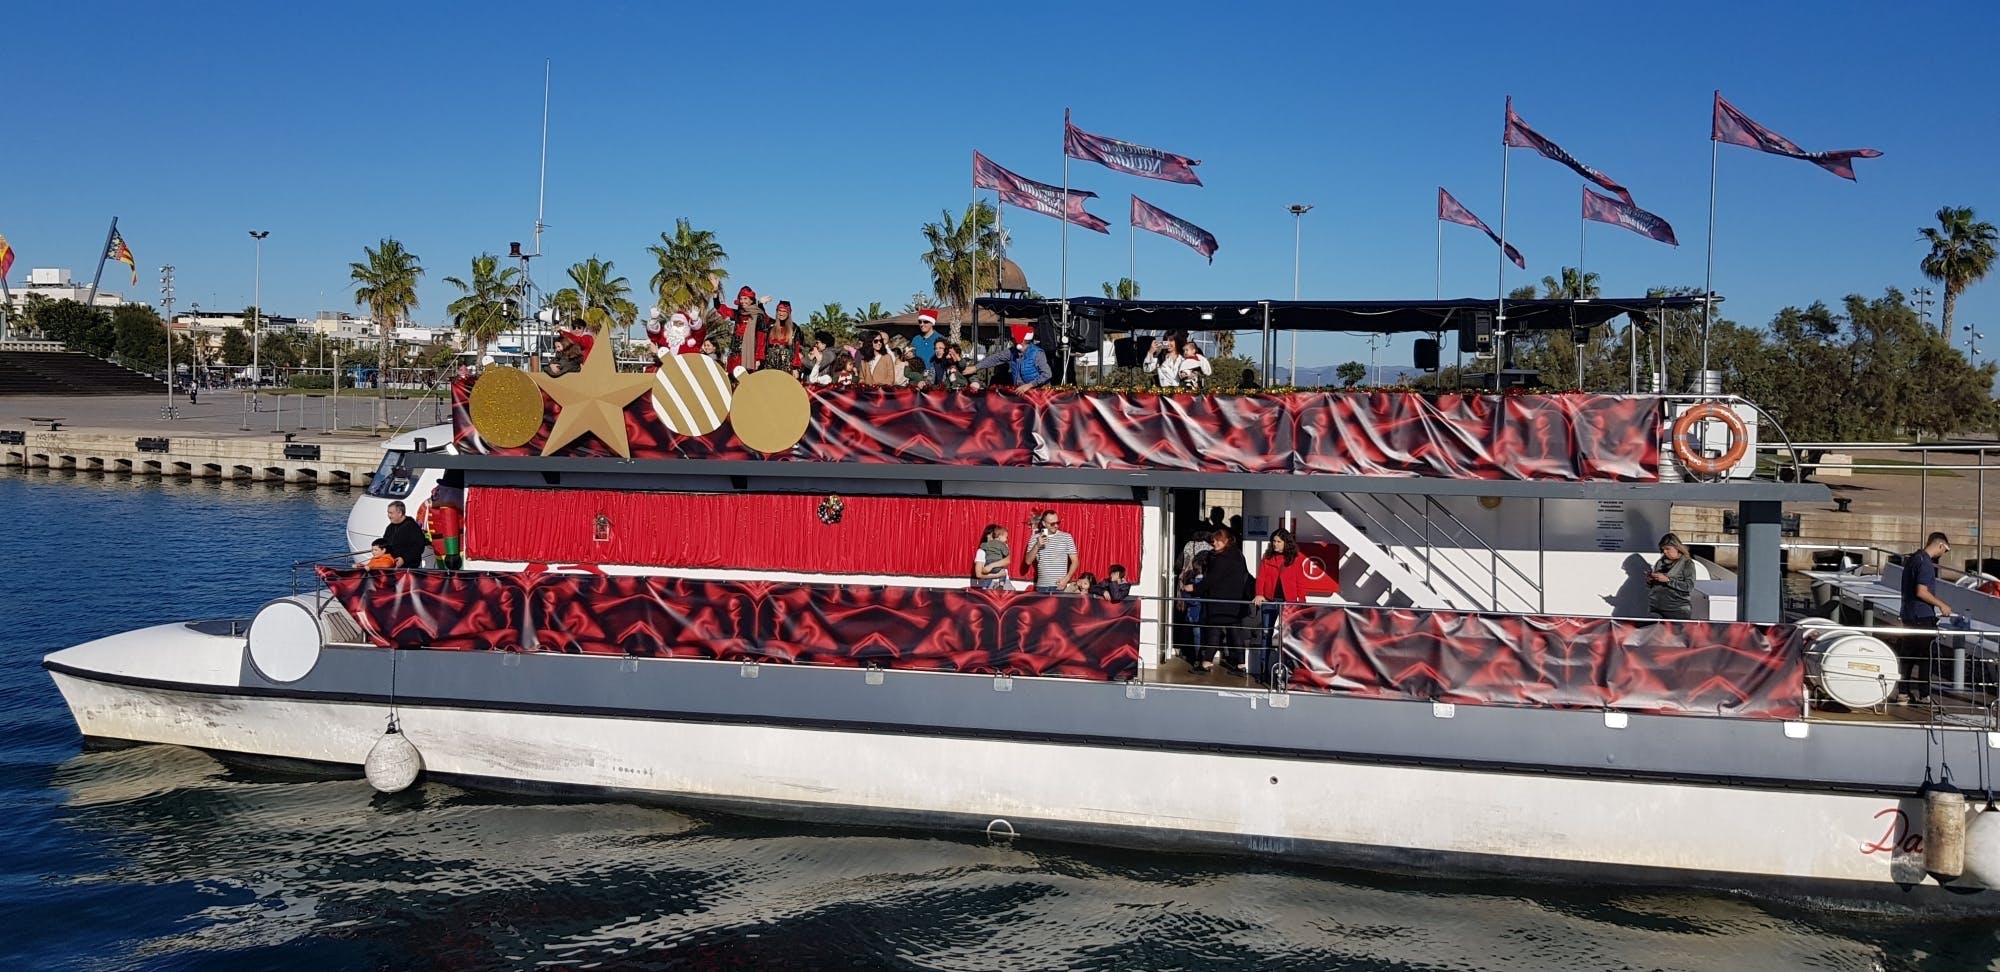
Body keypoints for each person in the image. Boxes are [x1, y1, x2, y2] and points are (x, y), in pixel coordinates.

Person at [1186, 526, 1253, 674]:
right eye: (1214, 540)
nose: (1214, 543)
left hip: (1220, 601)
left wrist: (1195, 588)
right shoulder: (1238, 555)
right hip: (1235, 602)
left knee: (1214, 632)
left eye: (1218, 541)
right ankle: (1241, 665)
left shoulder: (1222, 558)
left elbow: (1212, 579)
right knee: (1235, 633)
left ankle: (1206, 662)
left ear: (1227, 541)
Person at [1898, 532, 1955, 700]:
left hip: (1908, 613)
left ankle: (1903, 692)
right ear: (1940, 545)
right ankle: (1924, 694)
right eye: (1945, 550)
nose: (1944, 554)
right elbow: (1921, 592)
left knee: (1908, 655)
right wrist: (1941, 605)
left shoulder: (1913, 559)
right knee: (1925, 656)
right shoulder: (1926, 564)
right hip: (1921, 616)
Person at [1251, 528, 1308, 678]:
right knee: (1266, 634)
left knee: (1287, 636)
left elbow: (1300, 581)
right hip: (1269, 600)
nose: (1275, 544)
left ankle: (1286, 670)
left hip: (1287, 602)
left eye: (1278, 542)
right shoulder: (1267, 557)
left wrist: (1301, 602)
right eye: (1273, 541)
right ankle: (1264, 670)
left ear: (1285, 543)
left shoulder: (1295, 558)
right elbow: (1261, 578)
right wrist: (1259, 594)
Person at [964, 326, 1053, 391]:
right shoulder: (1012, 351)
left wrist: (1029, 385)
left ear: (1021, 340)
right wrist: (976, 367)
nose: (1011, 341)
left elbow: (1047, 374)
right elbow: (995, 358)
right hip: (1020, 392)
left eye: (1013, 338)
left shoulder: (1038, 353)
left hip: (1038, 393)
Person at [1645, 532, 1697, 621]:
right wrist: (1650, 580)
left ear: (1677, 548)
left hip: (1677, 610)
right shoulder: (1660, 562)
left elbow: (1689, 586)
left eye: (1667, 549)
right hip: (1656, 608)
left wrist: (1668, 580)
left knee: (1676, 634)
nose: (1665, 552)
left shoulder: (1687, 563)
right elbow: (1654, 587)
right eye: (1663, 549)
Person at [1026, 509, 1078, 594]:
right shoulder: (1035, 538)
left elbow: (1075, 561)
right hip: (1041, 587)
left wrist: (1066, 579)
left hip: (1059, 586)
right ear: (1044, 524)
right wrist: (1037, 545)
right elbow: (1028, 561)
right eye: (1052, 523)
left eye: (1058, 522)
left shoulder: (1066, 537)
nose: (1056, 525)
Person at [381, 500, 430, 568]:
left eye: (391, 513)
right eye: (388, 513)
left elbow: (418, 548)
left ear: (400, 513)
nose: (388, 516)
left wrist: (404, 559)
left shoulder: (412, 527)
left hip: (408, 568)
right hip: (391, 565)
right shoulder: (390, 527)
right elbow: (385, 543)